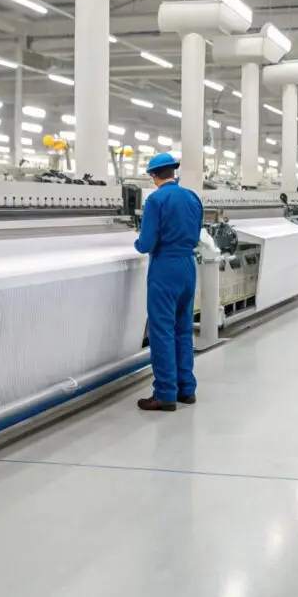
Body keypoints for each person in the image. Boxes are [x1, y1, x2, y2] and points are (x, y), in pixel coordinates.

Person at [133, 152, 204, 412]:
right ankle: (187, 389)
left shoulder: (156, 200)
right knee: (183, 328)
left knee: (161, 330)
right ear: (173, 172)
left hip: (165, 268)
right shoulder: (193, 197)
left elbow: (146, 243)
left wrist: (136, 242)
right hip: (188, 266)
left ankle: (164, 394)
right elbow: (196, 232)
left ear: (154, 176)